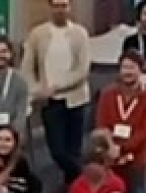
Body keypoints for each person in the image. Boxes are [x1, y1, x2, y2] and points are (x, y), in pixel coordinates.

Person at [23, 0, 94, 182]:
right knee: (57, 150)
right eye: (56, 5)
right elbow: (27, 67)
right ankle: (85, 178)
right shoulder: (37, 34)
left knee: (74, 150)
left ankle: (74, 187)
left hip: (76, 99)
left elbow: (82, 70)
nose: (60, 10)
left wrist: (58, 86)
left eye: (64, 5)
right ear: (50, 7)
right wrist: (36, 89)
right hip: (50, 101)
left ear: (69, 7)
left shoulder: (80, 34)